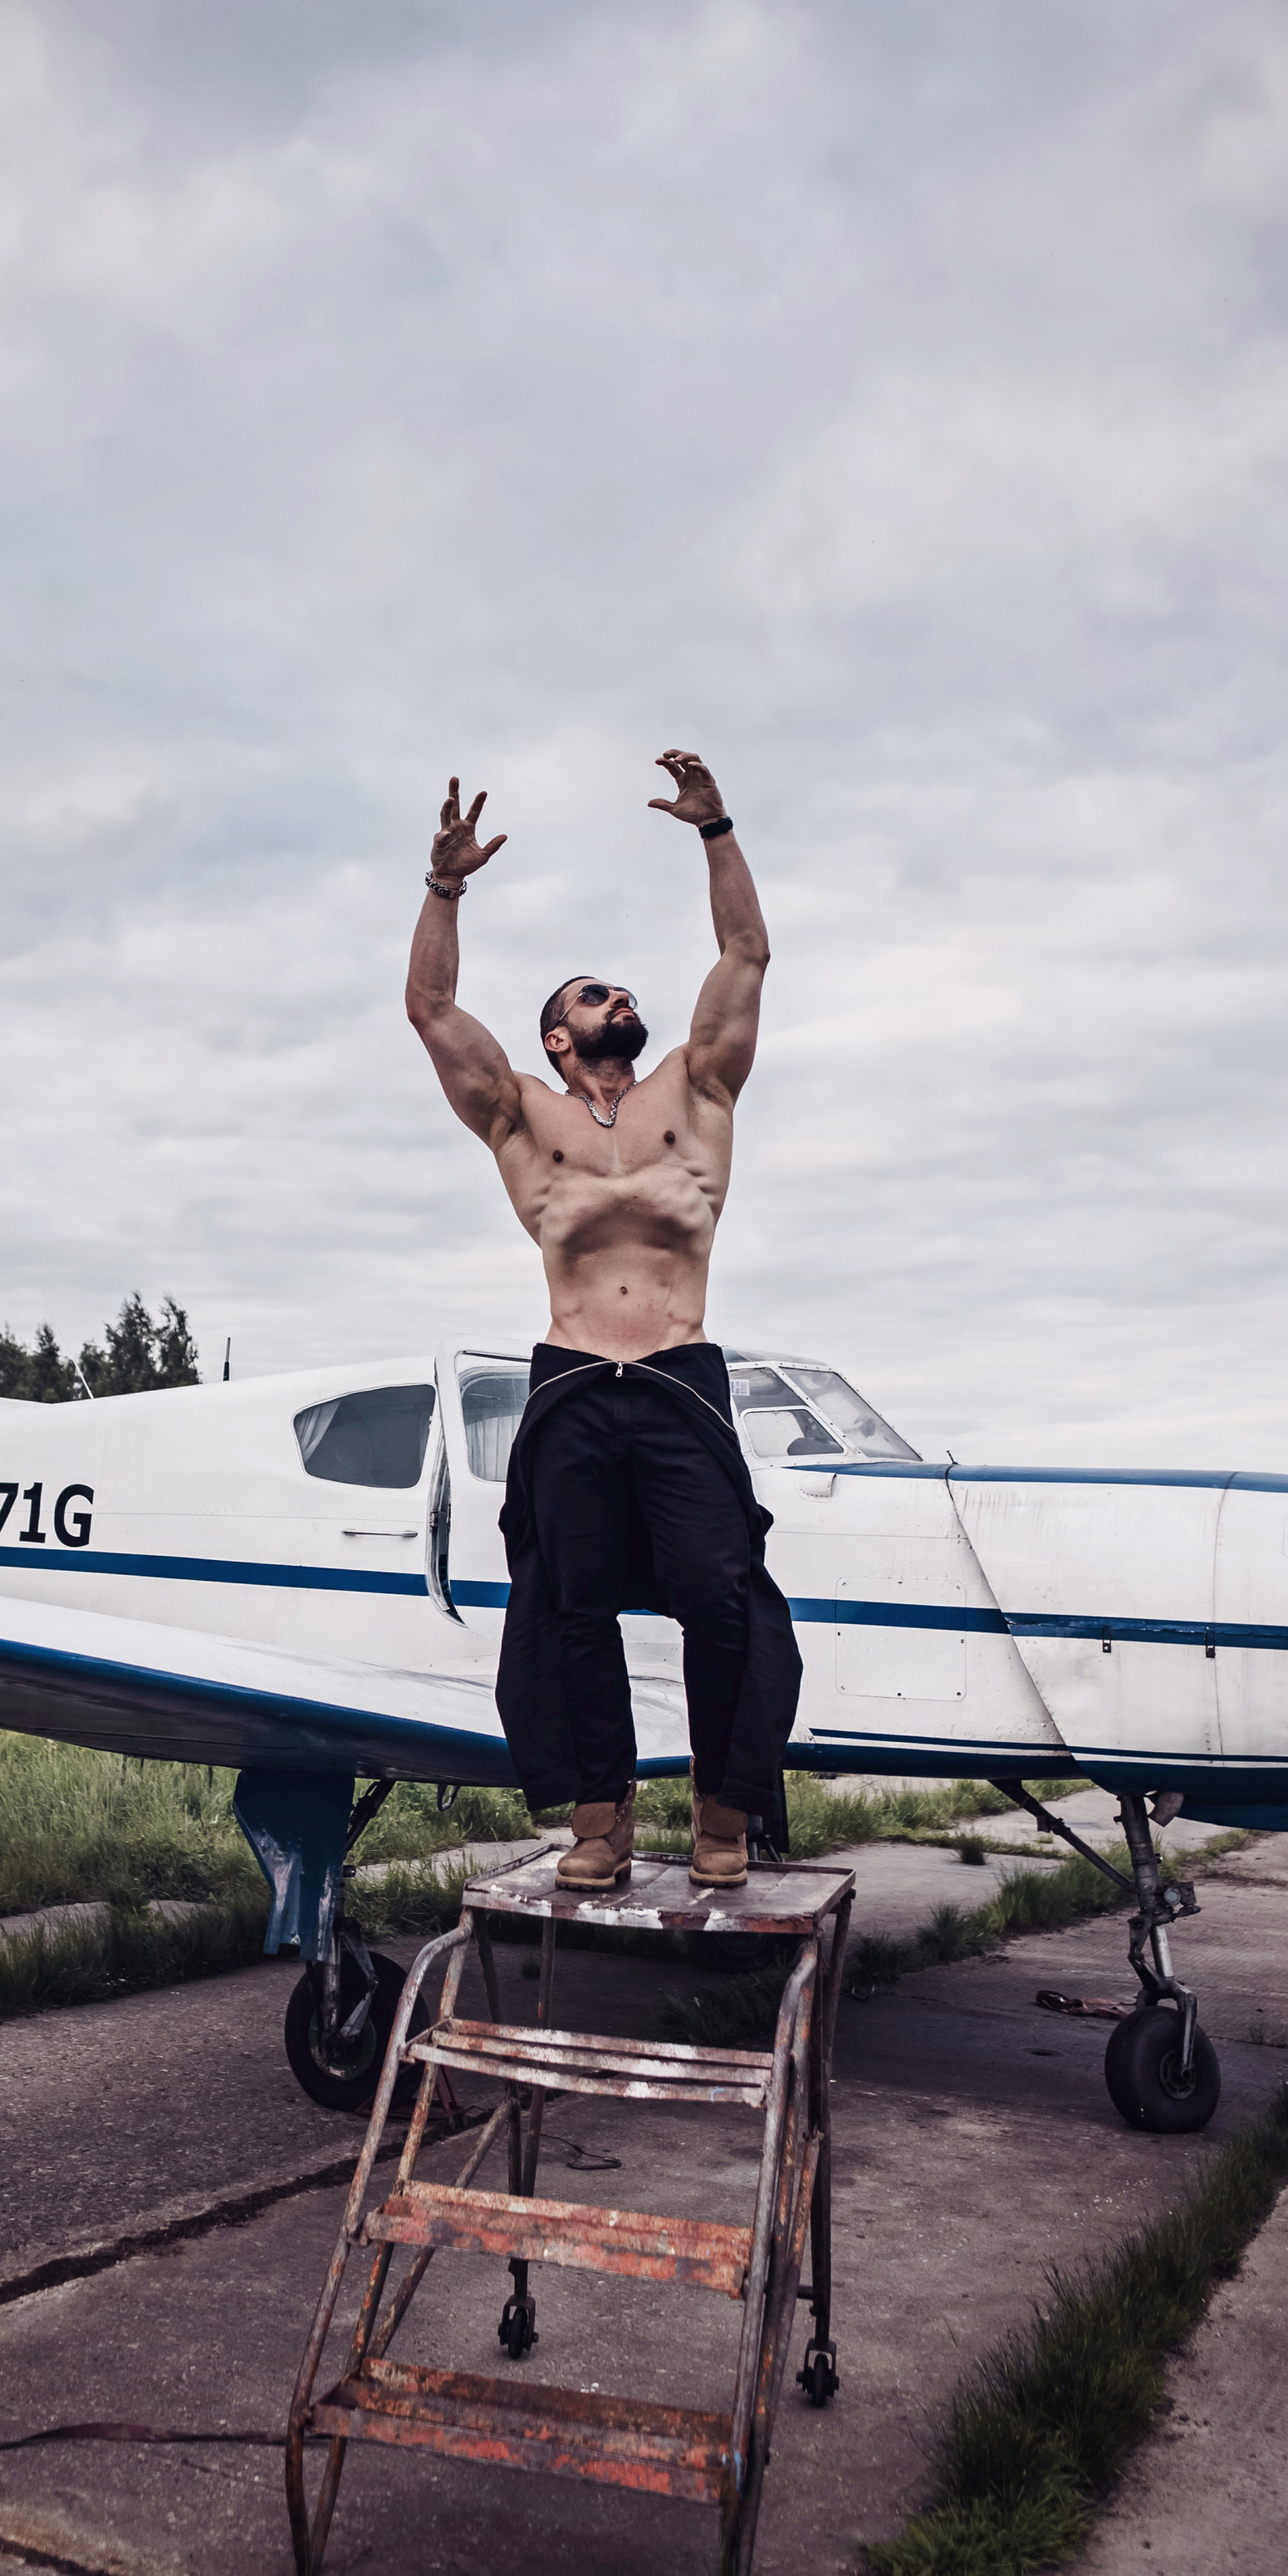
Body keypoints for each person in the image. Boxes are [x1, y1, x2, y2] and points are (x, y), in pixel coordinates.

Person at [405, 748, 801, 1892]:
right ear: (556, 1039)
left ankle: (722, 1812)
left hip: (679, 1375)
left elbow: (746, 953)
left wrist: (717, 828)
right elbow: (430, 1008)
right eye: (593, 996)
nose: (618, 999)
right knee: (568, 1603)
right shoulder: (523, 1118)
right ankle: (600, 1820)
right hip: (574, 1381)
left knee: (721, 1593)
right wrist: (445, 887)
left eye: (622, 992)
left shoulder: (697, 1087)